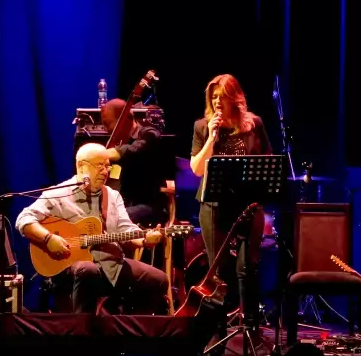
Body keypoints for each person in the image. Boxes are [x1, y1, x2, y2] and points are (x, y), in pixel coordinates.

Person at [16, 143, 168, 314]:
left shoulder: (112, 195)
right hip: (72, 268)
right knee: (88, 270)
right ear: (81, 166)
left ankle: (130, 331)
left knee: (159, 280)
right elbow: (24, 219)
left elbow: (125, 229)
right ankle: (82, 333)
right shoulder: (58, 194)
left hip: (112, 266)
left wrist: (145, 240)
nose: (105, 171)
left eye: (108, 166)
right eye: (100, 166)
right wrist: (48, 239)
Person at [188, 74, 272, 333]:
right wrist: (212, 139)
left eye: (221, 97)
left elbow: (268, 162)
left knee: (247, 268)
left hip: (248, 206)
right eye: (213, 98)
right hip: (214, 206)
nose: (216, 103)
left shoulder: (254, 124)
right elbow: (197, 169)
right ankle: (218, 333)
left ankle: (250, 329)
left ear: (234, 99)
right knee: (219, 273)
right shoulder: (202, 127)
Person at [100, 98, 171, 227]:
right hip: (124, 204)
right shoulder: (119, 141)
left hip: (149, 206)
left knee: (115, 217)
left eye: (108, 123)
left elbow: (135, 150)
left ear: (127, 119)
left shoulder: (149, 134)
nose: (106, 129)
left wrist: (102, 154)